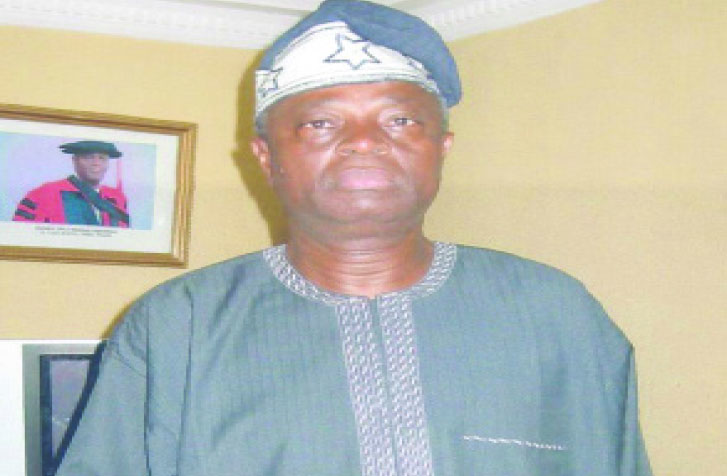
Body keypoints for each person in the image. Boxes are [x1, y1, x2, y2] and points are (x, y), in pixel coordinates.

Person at [56, 1, 652, 475]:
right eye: (321, 123)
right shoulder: (177, 327)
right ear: (266, 157)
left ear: (441, 148)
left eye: (400, 120)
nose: (364, 141)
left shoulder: (555, 313)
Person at [12, 140, 129, 227]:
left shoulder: (117, 198)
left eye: (102, 158)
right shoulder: (43, 194)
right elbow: (22, 235)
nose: (96, 163)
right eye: (88, 157)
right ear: (74, 161)